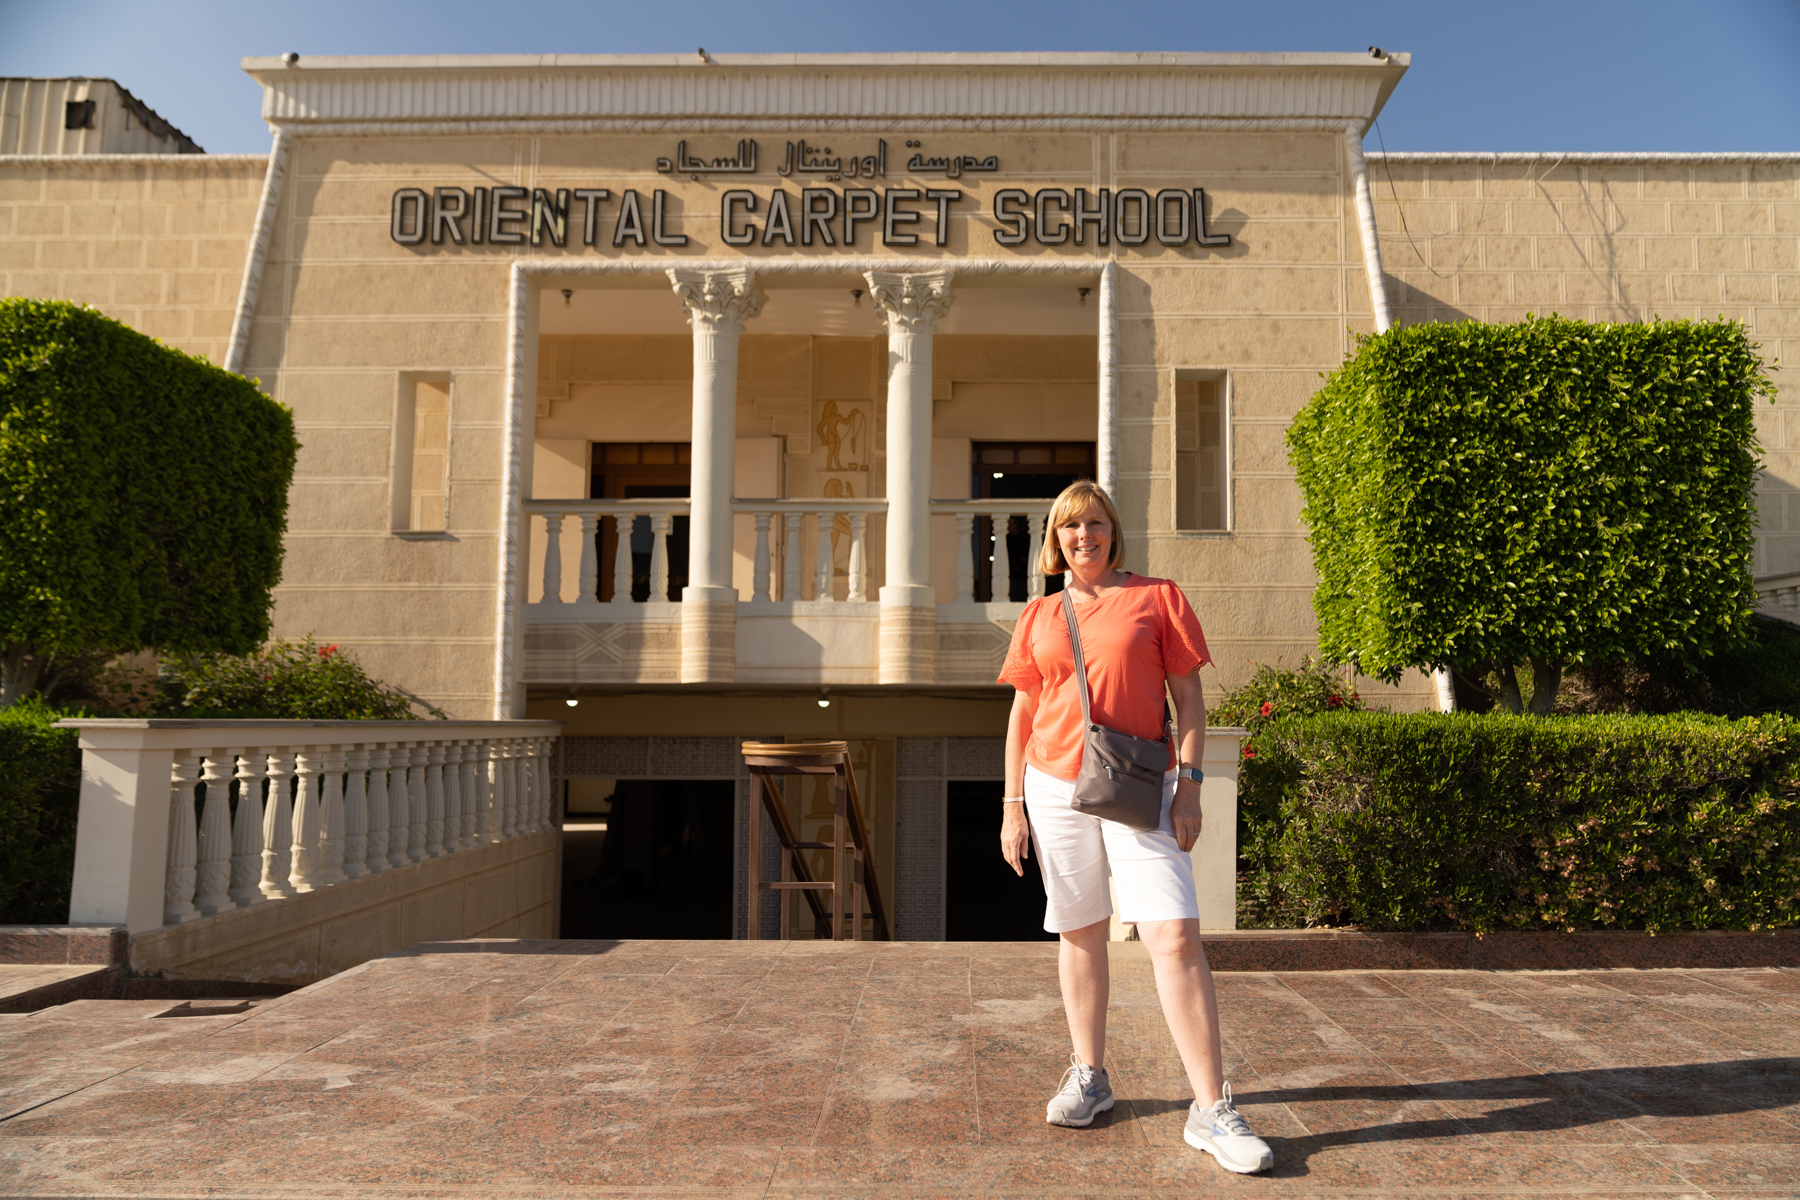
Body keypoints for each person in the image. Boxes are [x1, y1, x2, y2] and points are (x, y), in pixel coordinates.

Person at [996, 479, 1273, 1175]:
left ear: (1112, 532)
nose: (1081, 537)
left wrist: (1190, 787)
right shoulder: (1038, 614)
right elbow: (1022, 715)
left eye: (1091, 525)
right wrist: (1012, 805)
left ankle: (1211, 1107)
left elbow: (1189, 700)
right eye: (1067, 529)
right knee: (1080, 927)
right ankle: (1089, 1076)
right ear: (1054, 544)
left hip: (1137, 783)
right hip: (1053, 784)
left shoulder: (1158, 597)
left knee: (1173, 933)